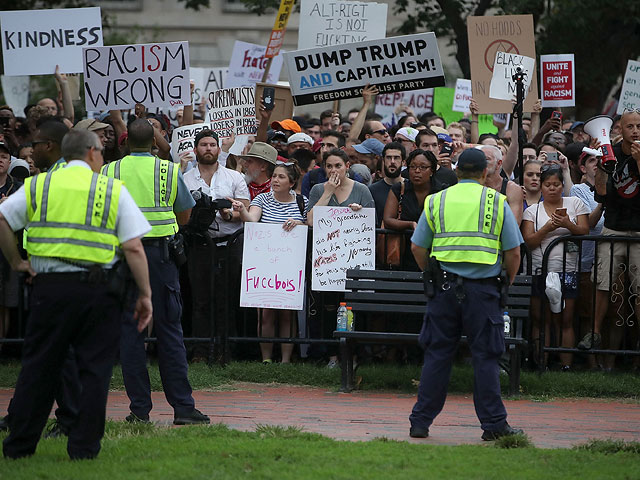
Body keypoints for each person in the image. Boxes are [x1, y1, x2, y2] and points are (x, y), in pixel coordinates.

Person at [0, 129, 152, 459]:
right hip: (99, 291)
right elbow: (133, 247)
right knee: (95, 370)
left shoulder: (39, 185)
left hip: (48, 289)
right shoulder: (111, 189)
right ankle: (83, 449)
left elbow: (2, 218)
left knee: (38, 368)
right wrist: (145, 295)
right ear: (93, 152)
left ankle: (19, 447)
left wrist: (17, 262)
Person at [408, 148, 524, 441]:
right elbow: (513, 252)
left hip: (443, 290)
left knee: (437, 355)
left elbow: (417, 248)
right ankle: (494, 425)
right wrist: (506, 282)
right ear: (485, 173)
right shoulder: (497, 201)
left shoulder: (436, 201)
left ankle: (420, 423)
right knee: (485, 357)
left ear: (456, 171)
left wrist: (432, 273)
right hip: (484, 292)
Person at [102, 119, 209, 425]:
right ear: (154, 142)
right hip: (161, 257)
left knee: (131, 333)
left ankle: (139, 410)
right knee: (170, 332)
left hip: (123, 256)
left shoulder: (109, 170)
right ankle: (183, 408)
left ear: (124, 143)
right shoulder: (168, 170)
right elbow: (185, 213)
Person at [230, 162, 307, 363]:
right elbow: (252, 220)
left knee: (287, 315)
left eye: (281, 177)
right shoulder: (262, 198)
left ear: (291, 182)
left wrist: (299, 223)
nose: (275, 180)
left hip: (290, 266)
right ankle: (266, 359)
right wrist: (242, 210)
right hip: (265, 265)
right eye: (274, 176)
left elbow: (309, 223)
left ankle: (285, 360)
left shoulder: (302, 202)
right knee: (265, 314)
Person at [182, 130, 250, 360]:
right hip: (199, 244)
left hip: (229, 244)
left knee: (227, 299)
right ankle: (200, 351)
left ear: (219, 149)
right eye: (203, 145)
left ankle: (225, 350)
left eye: (212, 144)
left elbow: (246, 209)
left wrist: (230, 213)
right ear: (195, 149)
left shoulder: (233, 177)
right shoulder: (185, 178)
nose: (208, 148)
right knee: (200, 299)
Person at [580, 110, 640, 350]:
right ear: (619, 130)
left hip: (638, 233)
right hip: (613, 229)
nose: (635, 131)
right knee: (602, 283)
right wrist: (604, 167)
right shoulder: (610, 153)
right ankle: (594, 332)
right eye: (630, 127)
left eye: (639, 126)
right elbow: (602, 193)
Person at [521, 164, 589, 370]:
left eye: (556, 184)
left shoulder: (575, 203)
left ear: (562, 185)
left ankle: (565, 366)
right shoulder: (532, 210)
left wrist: (567, 224)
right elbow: (529, 241)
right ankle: (541, 363)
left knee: (566, 319)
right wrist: (548, 228)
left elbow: (584, 231)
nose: (552, 188)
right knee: (540, 319)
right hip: (539, 270)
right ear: (541, 187)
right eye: (548, 184)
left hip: (567, 270)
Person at [382, 149, 437, 270]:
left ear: (432, 170)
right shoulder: (399, 189)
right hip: (402, 251)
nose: (417, 171)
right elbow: (388, 220)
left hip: (434, 252)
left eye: (423, 167)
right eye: (413, 167)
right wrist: (410, 224)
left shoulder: (441, 191)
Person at [479, 145, 524, 225]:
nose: (481, 163)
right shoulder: (472, 186)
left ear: (499, 163)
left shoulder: (512, 189)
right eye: (479, 159)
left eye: (486, 159)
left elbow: (514, 224)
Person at [369, 142, 406, 227]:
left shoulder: (410, 188)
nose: (392, 162)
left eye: (396, 158)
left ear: (403, 162)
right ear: (384, 161)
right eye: (389, 158)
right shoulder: (372, 190)